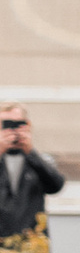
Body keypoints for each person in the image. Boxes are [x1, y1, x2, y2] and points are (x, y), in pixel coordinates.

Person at [1, 102, 66, 241]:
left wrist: (30, 152)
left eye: (17, 124)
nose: (12, 130)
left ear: (27, 125)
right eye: (6, 124)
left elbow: (56, 185)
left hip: (31, 245)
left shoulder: (38, 161)